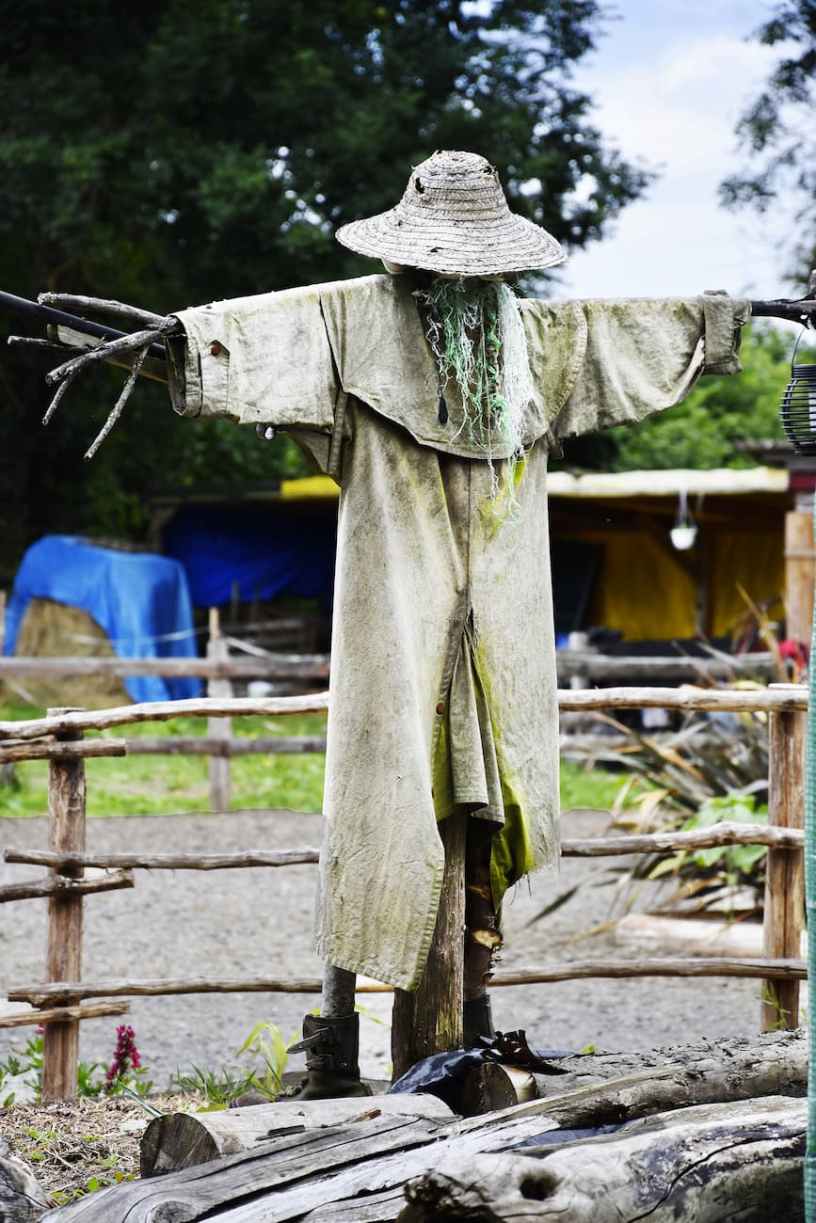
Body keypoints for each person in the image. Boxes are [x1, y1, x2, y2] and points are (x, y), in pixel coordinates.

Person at [26, 150, 811, 1099]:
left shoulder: (536, 345)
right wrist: (176, 341)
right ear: (409, 263)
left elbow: (628, 331)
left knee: (489, 802)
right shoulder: (349, 323)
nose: (460, 288)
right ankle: (336, 1045)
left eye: (476, 273)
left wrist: (735, 320)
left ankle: (470, 1024)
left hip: (504, 613)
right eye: (445, 270)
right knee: (377, 795)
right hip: (390, 608)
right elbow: (255, 339)